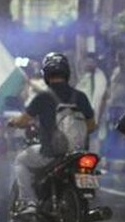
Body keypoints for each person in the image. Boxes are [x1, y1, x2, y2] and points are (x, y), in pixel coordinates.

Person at [7, 52, 96, 212]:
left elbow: (23, 121)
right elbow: (91, 126)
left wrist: (13, 122)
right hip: (77, 153)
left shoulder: (43, 97)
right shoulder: (80, 97)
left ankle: (29, 202)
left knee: (21, 160)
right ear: (67, 72)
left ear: (46, 74)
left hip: (50, 154)